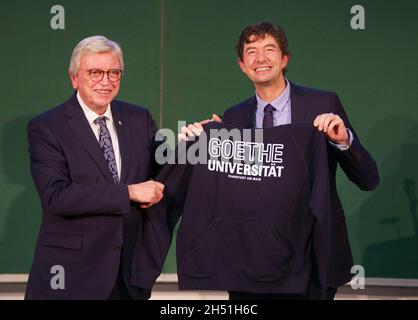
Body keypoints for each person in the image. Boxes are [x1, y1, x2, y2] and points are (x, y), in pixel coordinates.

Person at [180, 21, 380, 299]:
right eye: (251, 51)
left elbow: (369, 179)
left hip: (310, 260)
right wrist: (193, 144)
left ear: (284, 59)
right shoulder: (234, 117)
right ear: (241, 64)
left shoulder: (323, 104)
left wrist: (343, 139)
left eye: (269, 49)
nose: (260, 59)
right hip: (250, 264)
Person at [25, 36, 164, 300]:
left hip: (128, 278)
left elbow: (162, 172)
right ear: (74, 78)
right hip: (70, 278)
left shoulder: (139, 117)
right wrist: (128, 193)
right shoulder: (47, 127)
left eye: (114, 72)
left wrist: (194, 143)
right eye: (95, 72)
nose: (106, 81)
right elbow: (56, 197)